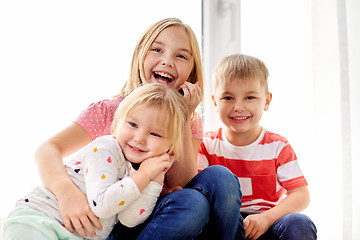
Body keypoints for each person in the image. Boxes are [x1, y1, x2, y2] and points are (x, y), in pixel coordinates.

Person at [29, 18, 244, 240]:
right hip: (115, 220)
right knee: (194, 203)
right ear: (140, 55)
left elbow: (183, 184)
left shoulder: (190, 119)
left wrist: (183, 119)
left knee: (220, 178)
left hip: (161, 215)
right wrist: (67, 193)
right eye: (157, 49)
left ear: (191, 73)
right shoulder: (110, 110)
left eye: (180, 56)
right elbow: (47, 149)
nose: (167, 61)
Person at [3, 83, 190, 239]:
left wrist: (156, 176)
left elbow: (129, 219)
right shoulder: (104, 148)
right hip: (39, 221)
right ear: (117, 123)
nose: (139, 138)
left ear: (170, 146)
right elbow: (103, 205)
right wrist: (144, 175)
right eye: (132, 124)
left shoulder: (138, 171)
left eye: (155, 134)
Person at [198, 54, 317, 240]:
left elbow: (301, 195)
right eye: (228, 97)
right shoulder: (207, 145)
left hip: (268, 223)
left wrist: (266, 218)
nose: (238, 106)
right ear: (214, 102)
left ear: (267, 101)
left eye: (250, 97)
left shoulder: (278, 146)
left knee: (299, 224)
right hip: (225, 228)